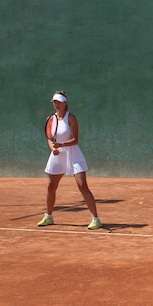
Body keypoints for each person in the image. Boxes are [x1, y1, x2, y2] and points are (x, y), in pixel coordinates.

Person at [37, 91, 102, 230]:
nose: (56, 104)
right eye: (54, 101)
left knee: (82, 185)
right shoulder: (52, 119)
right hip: (57, 154)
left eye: (59, 101)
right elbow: (50, 138)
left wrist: (63, 145)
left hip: (72, 153)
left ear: (65, 103)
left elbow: (75, 139)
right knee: (51, 186)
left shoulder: (71, 118)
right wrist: (52, 148)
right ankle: (48, 216)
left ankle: (96, 219)